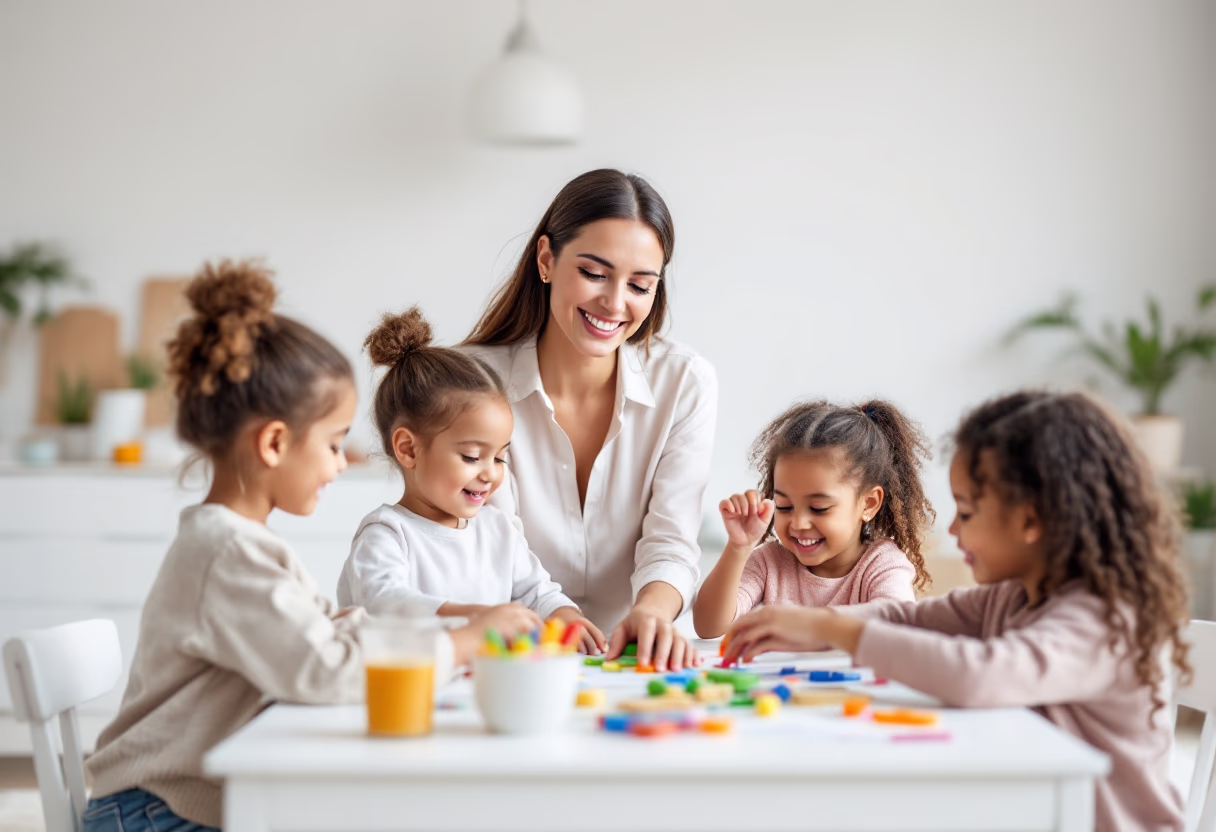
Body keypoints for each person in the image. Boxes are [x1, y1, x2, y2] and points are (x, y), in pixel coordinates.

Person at [83, 262, 502, 832]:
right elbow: (324, 671)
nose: (341, 463)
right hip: (153, 812)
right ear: (275, 443)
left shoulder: (238, 543)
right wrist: (460, 645)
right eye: (333, 444)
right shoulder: (229, 554)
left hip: (165, 802)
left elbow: (326, 630)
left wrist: (443, 632)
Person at [725, 390, 1189, 832]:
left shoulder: (1102, 620)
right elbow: (907, 618)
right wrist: (818, 626)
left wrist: (833, 628)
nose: (951, 527)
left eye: (966, 512)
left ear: (1031, 519)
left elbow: (982, 675)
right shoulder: (1012, 597)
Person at [462, 169, 717, 671]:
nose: (615, 303)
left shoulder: (685, 382)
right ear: (546, 260)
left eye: (640, 285)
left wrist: (651, 612)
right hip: (517, 657)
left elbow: (672, 537)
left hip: (637, 661)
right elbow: (494, 541)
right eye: (595, 274)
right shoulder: (469, 381)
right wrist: (559, 617)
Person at [335, 307, 598, 651]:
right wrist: (476, 618)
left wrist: (565, 615)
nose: (490, 472)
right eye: (472, 457)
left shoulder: (498, 529)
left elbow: (537, 592)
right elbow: (385, 603)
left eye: (500, 457)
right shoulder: (386, 534)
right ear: (408, 449)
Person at [693, 399, 933, 638]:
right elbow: (708, 626)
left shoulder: (882, 564)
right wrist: (738, 547)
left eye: (818, 508)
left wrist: (807, 623)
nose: (798, 523)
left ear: (868, 504)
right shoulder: (770, 562)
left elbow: (895, 626)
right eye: (784, 506)